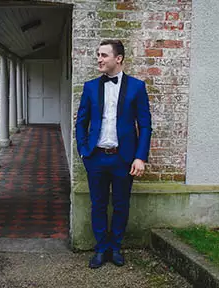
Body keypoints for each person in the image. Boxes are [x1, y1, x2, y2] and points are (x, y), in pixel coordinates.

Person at [75, 39, 152, 268]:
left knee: (121, 205)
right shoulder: (90, 87)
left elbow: (145, 125)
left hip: (123, 158)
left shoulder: (137, 87)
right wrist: (83, 151)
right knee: (97, 204)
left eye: (104, 55)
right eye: (98, 55)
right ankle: (101, 249)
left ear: (118, 59)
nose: (99, 59)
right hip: (96, 157)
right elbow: (81, 122)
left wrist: (140, 157)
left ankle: (115, 247)